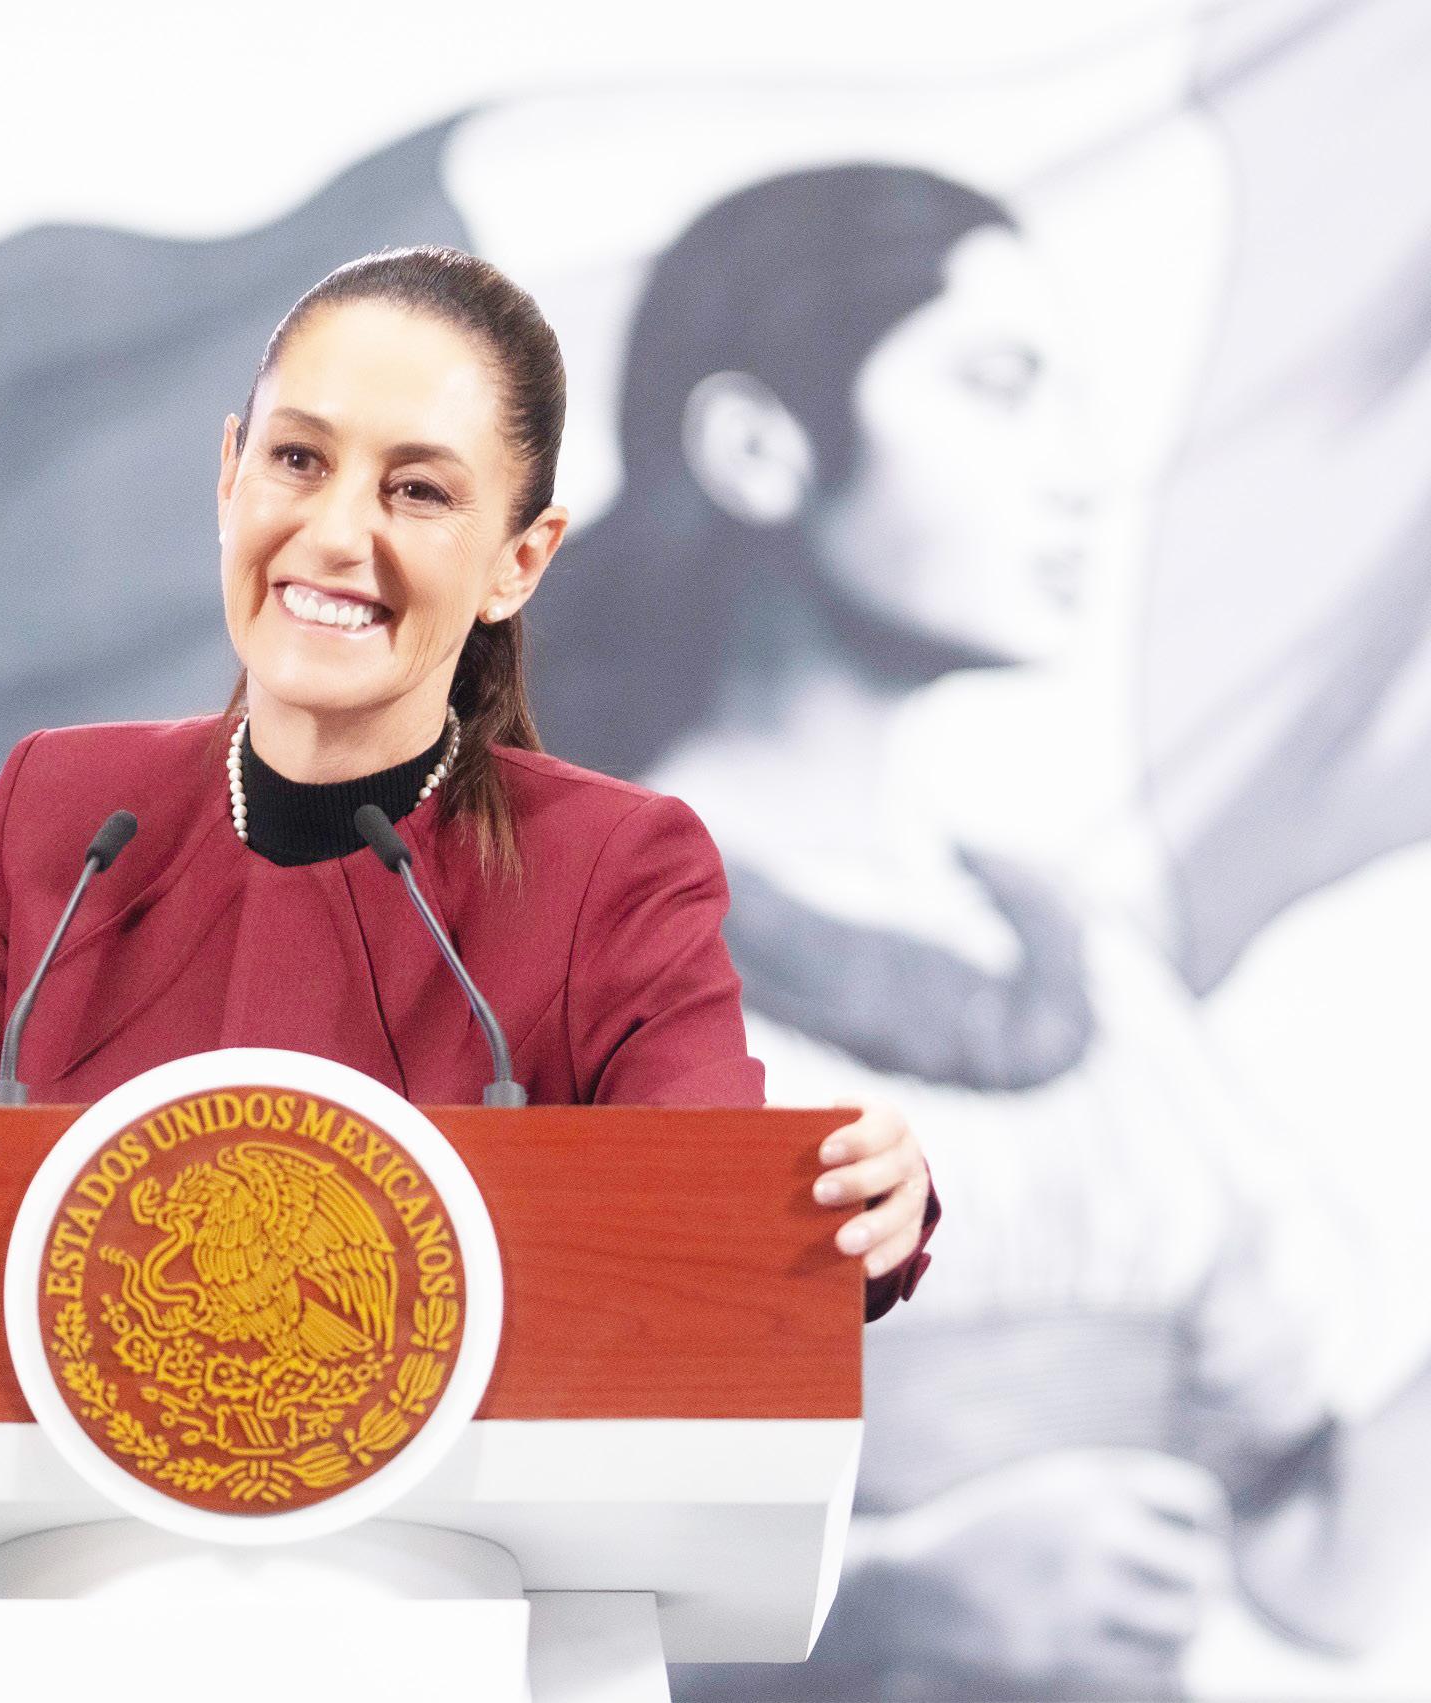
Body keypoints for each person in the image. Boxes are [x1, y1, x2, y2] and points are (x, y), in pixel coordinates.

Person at [0, 245, 937, 1488]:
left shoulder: (613, 869)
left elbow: (706, 1234)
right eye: (299, 460)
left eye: (418, 490)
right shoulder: (63, 813)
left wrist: (863, 1212)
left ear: (519, 564)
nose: (337, 533)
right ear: (231, 474)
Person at [526, 162, 1431, 1698]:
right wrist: (887, 1599)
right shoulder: (557, 953)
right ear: (758, 446)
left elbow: (1320, 1570)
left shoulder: (1086, 976)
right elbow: (444, 1571)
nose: (1077, 475)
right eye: (999, 388)